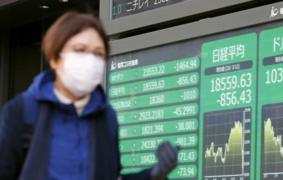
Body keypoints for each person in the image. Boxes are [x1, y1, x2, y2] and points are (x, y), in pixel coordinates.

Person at [0, 11, 179, 180]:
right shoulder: (22, 110)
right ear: (55, 58)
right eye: (80, 49)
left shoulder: (106, 117)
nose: (90, 60)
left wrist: (154, 174)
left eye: (98, 53)